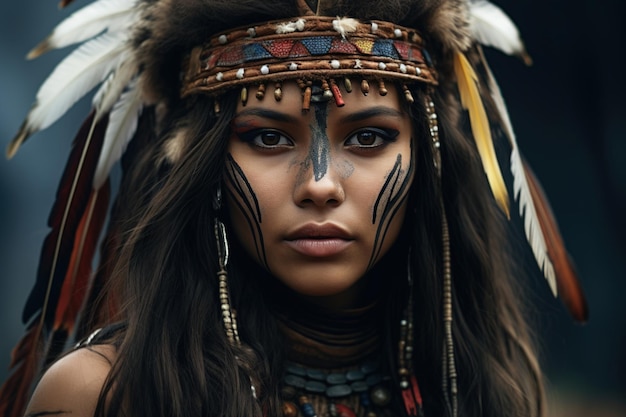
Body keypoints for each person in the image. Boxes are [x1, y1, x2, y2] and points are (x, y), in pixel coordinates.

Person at [0, 0, 587, 416]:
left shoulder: (479, 390)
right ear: (199, 162)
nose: (321, 184)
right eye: (268, 138)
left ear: (428, 155)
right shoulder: (98, 396)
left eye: (369, 137)